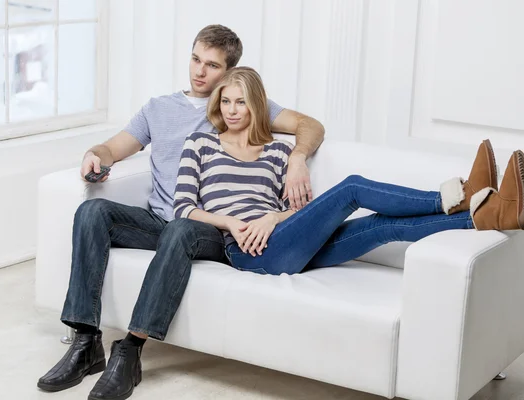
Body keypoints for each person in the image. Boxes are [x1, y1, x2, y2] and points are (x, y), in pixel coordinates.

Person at [37, 25, 325, 400]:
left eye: (212, 65)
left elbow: (310, 125)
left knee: (181, 229)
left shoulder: (235, 103)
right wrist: (96, 155)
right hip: (160, 220)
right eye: (195, 59)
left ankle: (130, 352)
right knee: (92, 211)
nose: (200, 72)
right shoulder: (158, 109)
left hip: (209, 229)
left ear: (229, 73)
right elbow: (113, 147)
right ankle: (86, 342)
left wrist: (298, 157)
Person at [174, 66, 524, 277]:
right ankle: (455, 196)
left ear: (256, 106)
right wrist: (233, 224)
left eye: (241, 102)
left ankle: (490, 214)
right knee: (352, 188)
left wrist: (273, 217)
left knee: (382, 226)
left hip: (284, 235)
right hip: (248, 251)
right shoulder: (200, 144)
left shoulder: (279, 149)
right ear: (218, 105)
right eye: (226, 101)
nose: (233, 110)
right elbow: (183, 210)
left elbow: (299, 208)